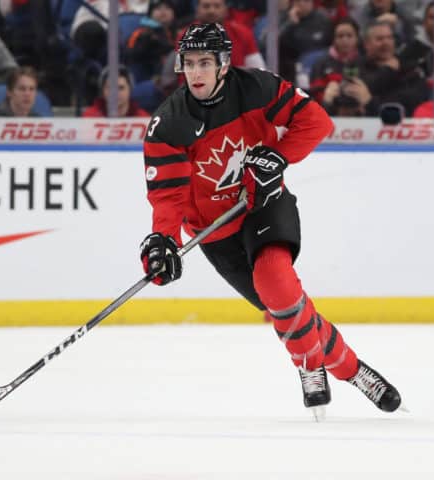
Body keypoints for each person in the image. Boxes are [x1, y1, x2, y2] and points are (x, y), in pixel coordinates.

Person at [139, 22, 402, 418]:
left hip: (263, 200)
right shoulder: (169, 124)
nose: (195, 73)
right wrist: (163, 240)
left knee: (276, 283)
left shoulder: (257, 88)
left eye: (204, 63)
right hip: (215, 233)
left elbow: (316, 122)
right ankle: (351, 368)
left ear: (224, 63)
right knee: (287, 308)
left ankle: (309, 363)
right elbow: (168, 196)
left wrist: (277, 156)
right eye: (189, 63)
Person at [82, 65, 150, 117]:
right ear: (102, 91)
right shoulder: (90, 117)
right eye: (110, 88)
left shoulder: (143, 118)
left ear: (130, 89)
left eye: (121, 88)